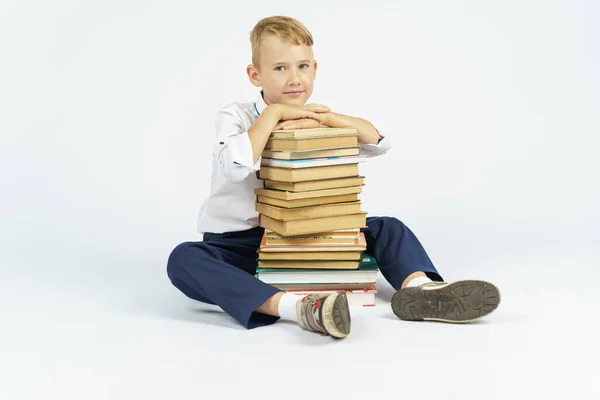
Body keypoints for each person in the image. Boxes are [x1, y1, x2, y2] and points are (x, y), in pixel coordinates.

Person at [166, 15, 500, 339]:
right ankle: (299, 308)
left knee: (388, 228)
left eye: (302, 66)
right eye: (280, 68)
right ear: (255, 75)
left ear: (314, 69)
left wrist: (322, 119)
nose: (294, 78)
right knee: (184, 259)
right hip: (240, 242)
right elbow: (234, 165)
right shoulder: (235, 116)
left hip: (304, 237)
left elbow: (379, 142)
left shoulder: (318, 116)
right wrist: (273, 114)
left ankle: (422, 291)